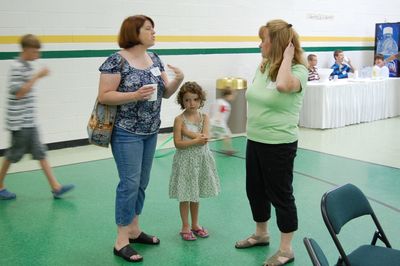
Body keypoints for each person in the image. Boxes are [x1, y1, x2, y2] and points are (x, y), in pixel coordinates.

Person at [97, 15, 184, 262]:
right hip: (126, 132)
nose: (154, 33)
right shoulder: (116, 61)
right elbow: (105, 96)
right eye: (149, 29)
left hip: (150, 131)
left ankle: (134, 229)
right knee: (129, 183)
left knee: (142, 182)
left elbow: (165, 93)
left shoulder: (154, 58)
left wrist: (178, 79)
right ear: (134, 33)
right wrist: (134, 95)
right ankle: (121, 240)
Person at [235, 20, 308, 266]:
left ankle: (286, 250)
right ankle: (261, 233)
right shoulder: (263, 66)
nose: (259, 45)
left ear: (275, 43)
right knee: (255, 190)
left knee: (281, 195)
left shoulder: (298, 71)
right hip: (255, 139)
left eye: (263, 40)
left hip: (279, 143)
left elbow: (282, 85)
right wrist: (273, 61)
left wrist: (287, 57)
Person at [0, 34, 75, 200]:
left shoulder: (27, 66)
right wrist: (37, 76)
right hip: (19, 122)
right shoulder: (16, 67)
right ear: (26, 50)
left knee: (40, 153)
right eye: (35, 52)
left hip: (29, 121)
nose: (37, 55)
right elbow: (19, 93)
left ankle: (56, 187)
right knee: (13, 155)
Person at [169, 81, 220, 241]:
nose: (191, 103)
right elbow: (178, 144)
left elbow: (205, 138)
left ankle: (195, 224)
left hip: (201, 161)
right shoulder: (179, 120)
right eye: (187, 100)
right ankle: (185, 225)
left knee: (195, 194)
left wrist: (187, 132)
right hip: (185, 162)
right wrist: (191, 137)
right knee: (185, 195)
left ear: (200, 100)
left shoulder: (204, 117)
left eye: (195, 99)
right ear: (182, 101)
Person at [209, 86, 236, 154]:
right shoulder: (225, 104)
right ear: (228, 95)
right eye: (233, 95)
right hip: (219, 123)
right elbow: (220, 113)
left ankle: (228, 149)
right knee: (228, 135)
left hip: (211, 122)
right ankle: (229, 149)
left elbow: (211, 111)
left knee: (211, 136)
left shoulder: (217, 101)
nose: (233, 97)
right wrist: (219, 122)